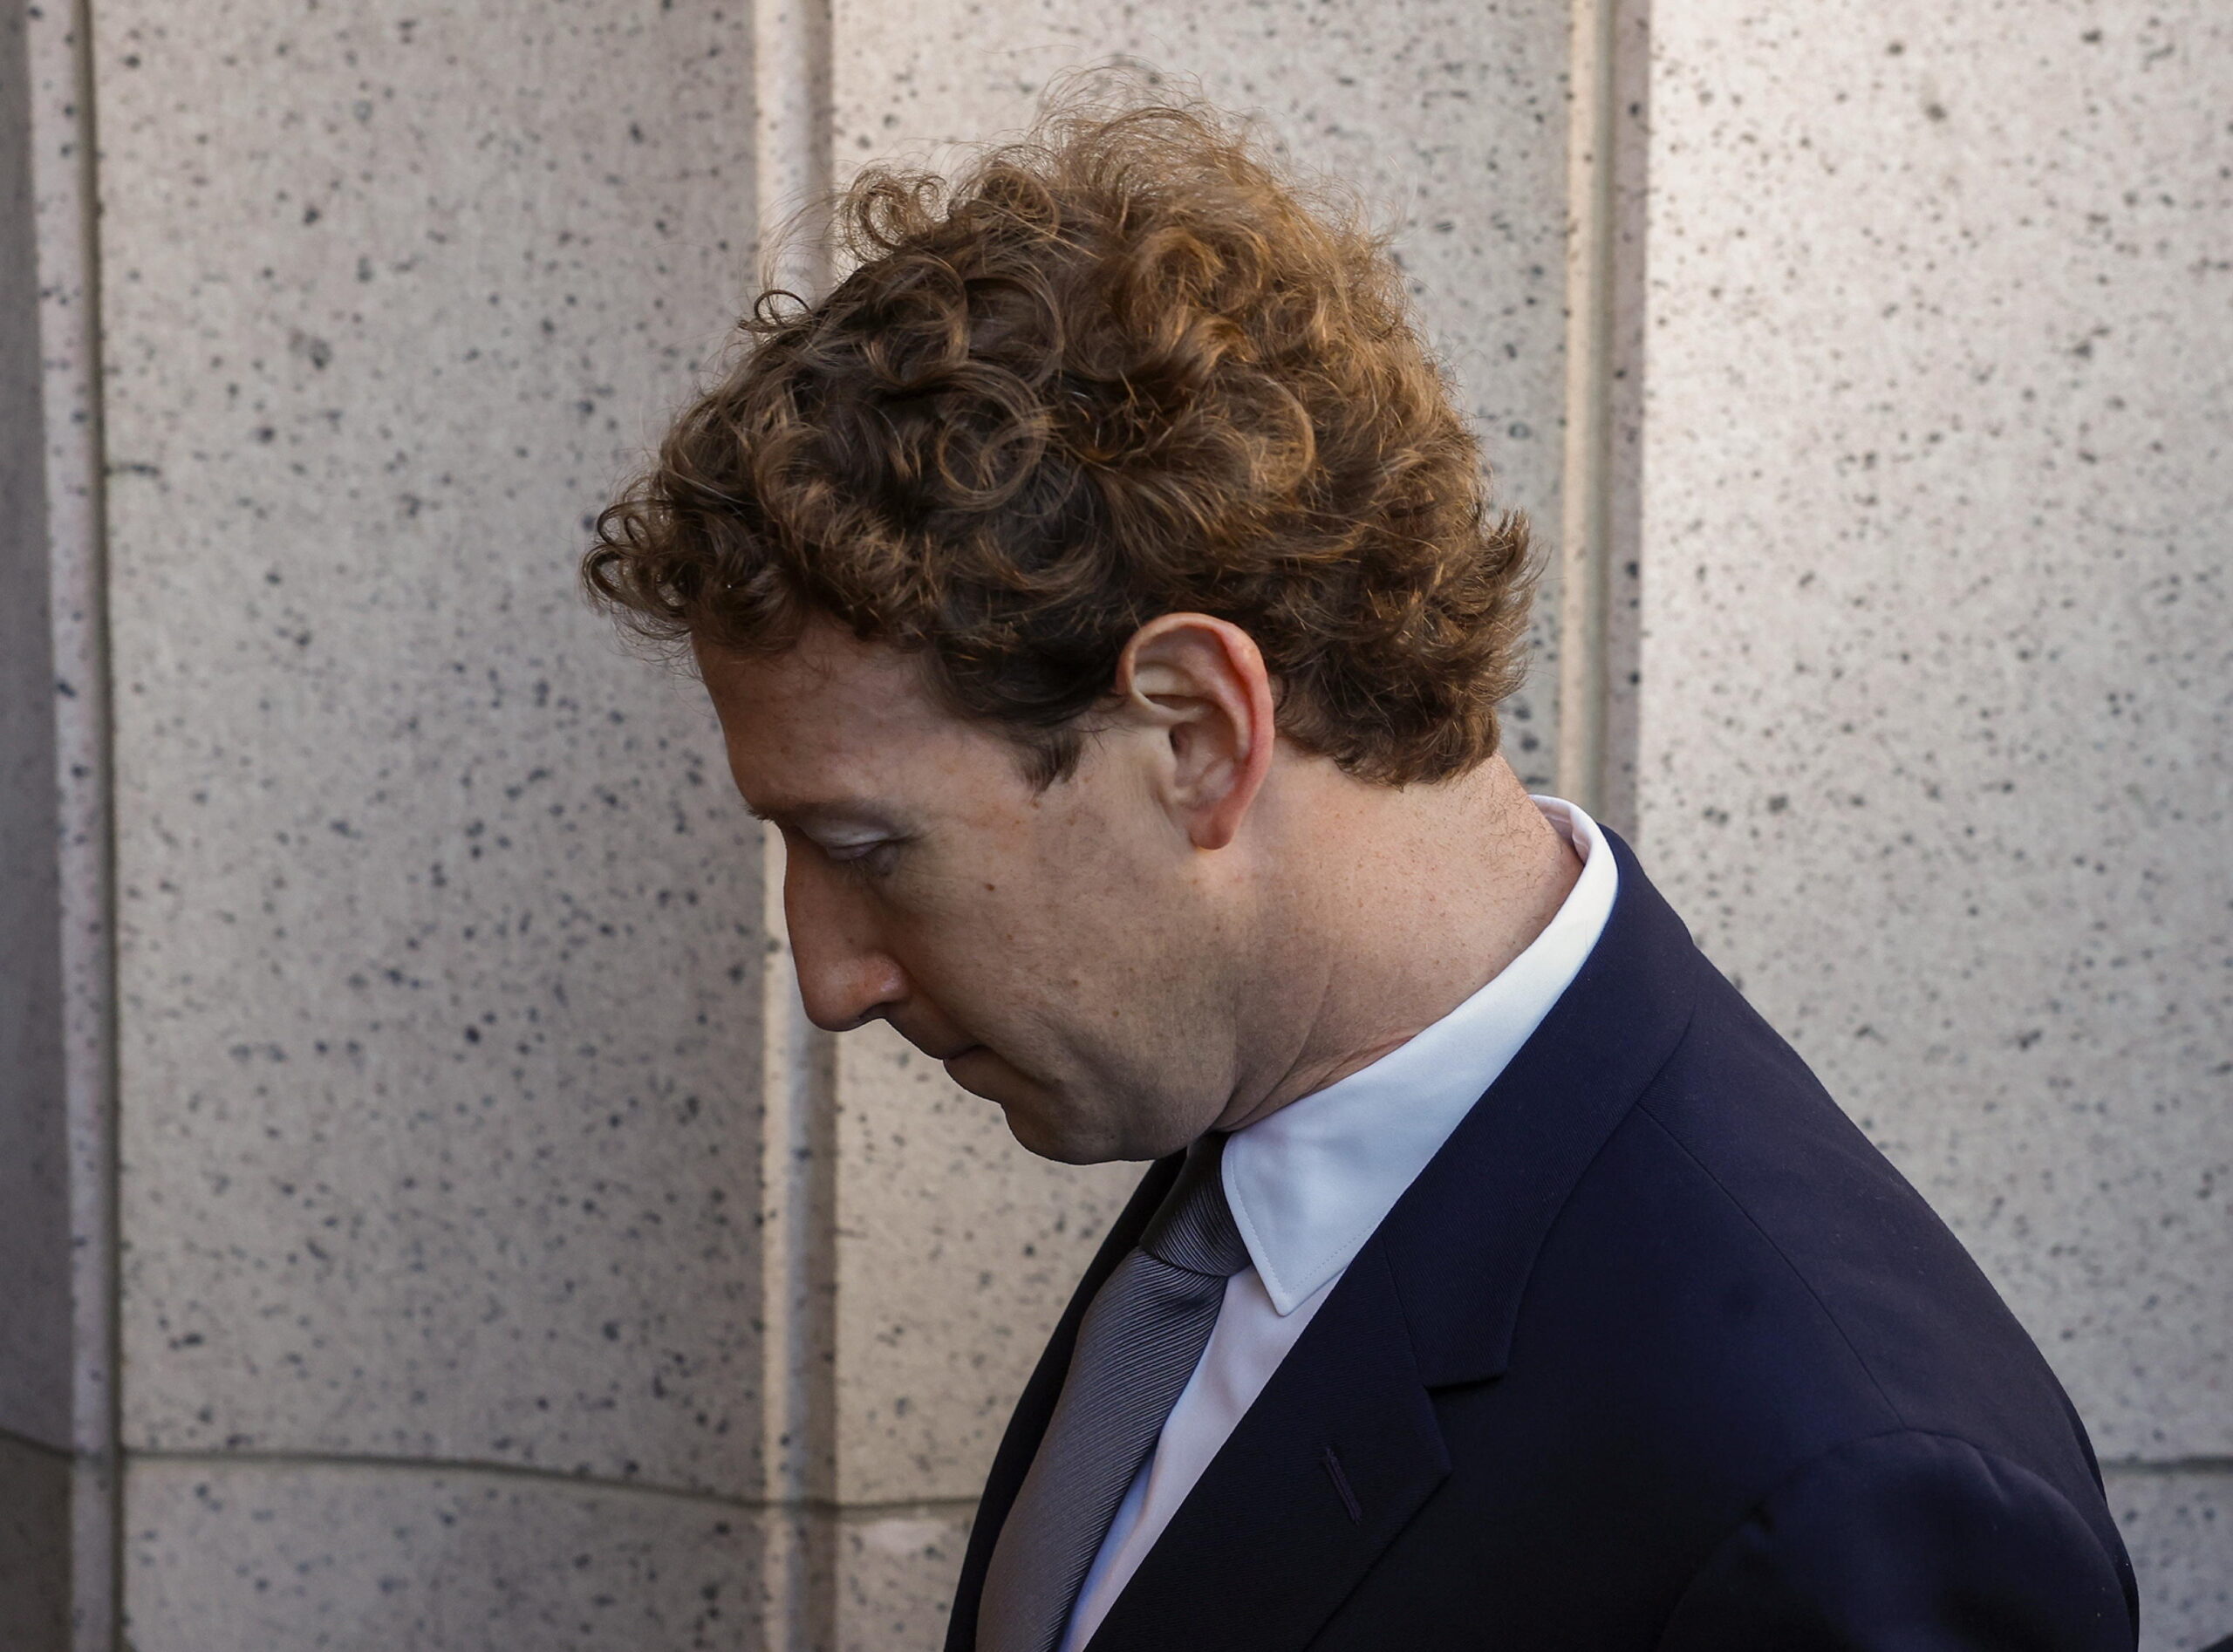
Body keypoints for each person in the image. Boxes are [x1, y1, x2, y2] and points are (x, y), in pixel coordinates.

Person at [582, 90, 2138, 1652]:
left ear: (1197, 732)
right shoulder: (1243, 1117)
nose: (830, 976)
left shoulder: (1839, 1493)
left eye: (867, 848)